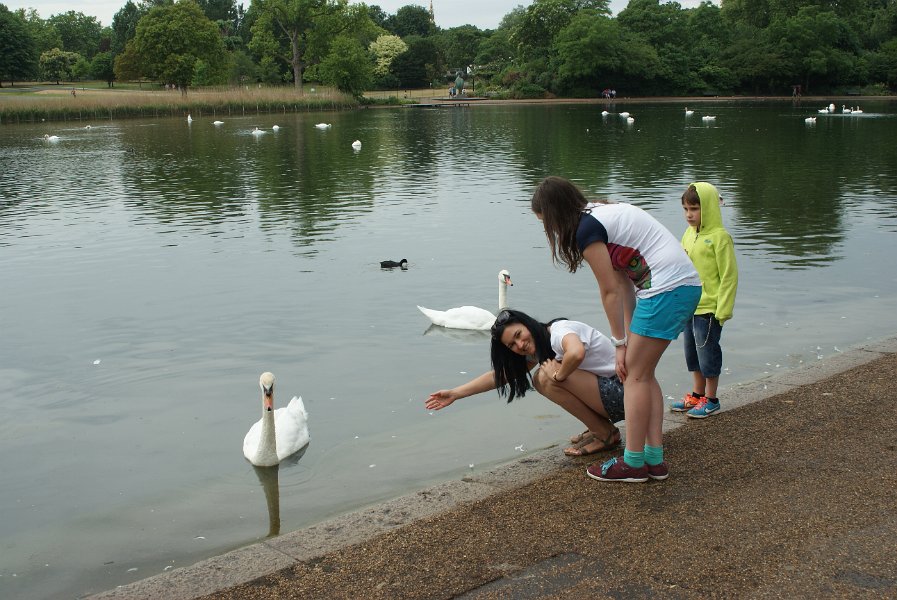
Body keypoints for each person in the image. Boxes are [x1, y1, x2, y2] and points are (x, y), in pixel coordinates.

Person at [530, 176, 702, 483]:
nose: (550, 230)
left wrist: (620, 343)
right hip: (679, 287)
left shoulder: (586, 230)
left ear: (556, 214)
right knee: (643, 374)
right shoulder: (599, 214)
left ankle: (633, 463)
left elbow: (609, 291)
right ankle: (654, 460)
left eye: (547, 223)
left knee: (633, 376)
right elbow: (624, 284)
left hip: (666, 289)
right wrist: (628, 337)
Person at [425, 309, 625, 457]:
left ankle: (605, 434)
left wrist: (558, 376)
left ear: (528, 324)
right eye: (511, 345)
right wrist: (456, 393)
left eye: (518, 335)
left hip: (624, 393)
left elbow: (576, 352)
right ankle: (600, 427)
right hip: (617, 395)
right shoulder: (539, 348)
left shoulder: (559, 332)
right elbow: (501, 376)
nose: (520, 345)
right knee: (542, 377)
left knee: (544, 377)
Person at [669, 182, 738, 418]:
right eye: (686, 209)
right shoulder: (689, 234)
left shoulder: (720, 238)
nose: (689, 214)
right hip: (690, 306)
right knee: (692, 353)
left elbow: (729, 275)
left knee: (707, 352)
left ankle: (711, 399)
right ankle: (697, 395)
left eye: (695, 209)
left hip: (710, 308)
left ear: (707, 208)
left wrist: (723, 309)